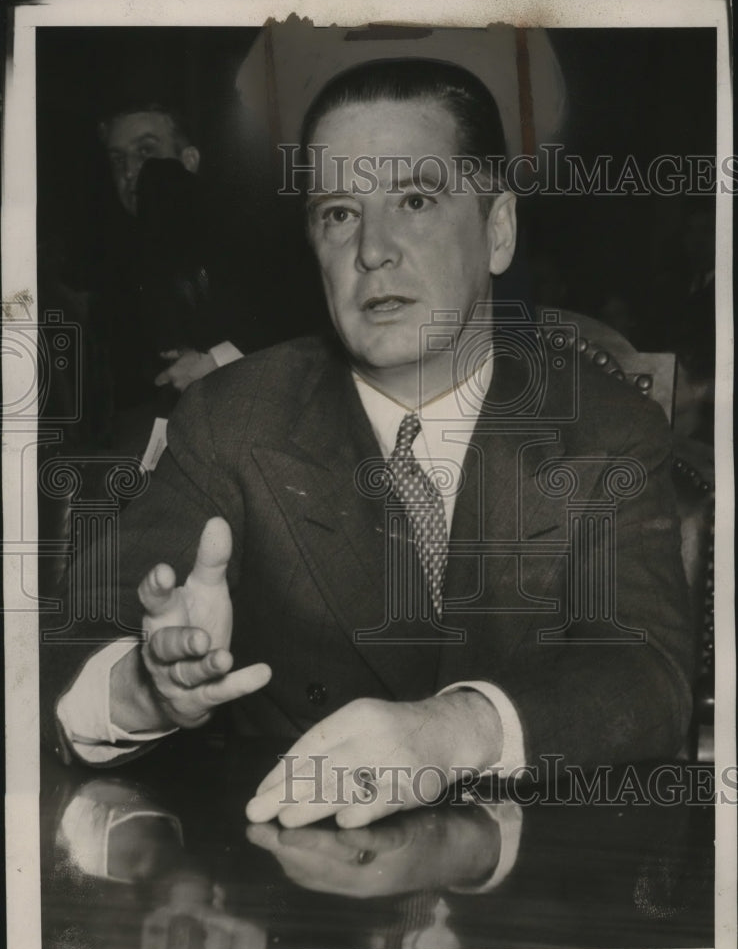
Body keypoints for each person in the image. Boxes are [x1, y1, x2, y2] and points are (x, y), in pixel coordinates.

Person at [42, 60, 693, 832]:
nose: (372, 249)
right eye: (339, 213)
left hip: (530, 880)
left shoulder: (605, 429)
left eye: (415, 200)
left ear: (498, 229)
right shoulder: (235, 419)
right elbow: (64, 645)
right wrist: (146, 689)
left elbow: (649, 673)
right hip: (293, 868)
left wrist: (455, 731)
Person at [88, 102, 246, 457]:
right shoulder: (114, 266)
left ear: (188, 161)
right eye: (117, 159)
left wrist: (215, 361)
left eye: (145, 152)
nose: (130, 172)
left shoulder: (244, 230)